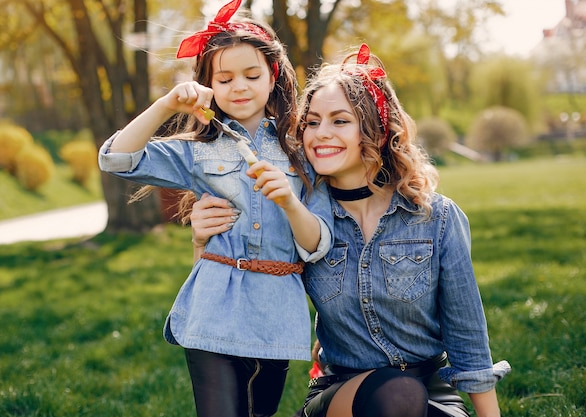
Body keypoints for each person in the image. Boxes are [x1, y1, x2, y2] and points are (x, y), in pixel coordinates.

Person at [189, 43, 510, 417]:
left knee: (409, 397)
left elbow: (467, 337)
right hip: (341, 393)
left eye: (340, 121)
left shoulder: (436, 218)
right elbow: (224, 293)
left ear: (373, 129)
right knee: (398, 394)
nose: (320, 134)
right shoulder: (295, 214)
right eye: (311, 122)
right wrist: (202, 241)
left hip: (431, 389)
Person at [97, 1, 333, 416]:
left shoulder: (303, 149)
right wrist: (167, 105)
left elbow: (319, 244)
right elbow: (116, 159)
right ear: (208, 86)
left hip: (274, 311)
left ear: (273, 75)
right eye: (224, 79)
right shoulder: (201, 151)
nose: (239, 86)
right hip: (212, 306)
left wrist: (289, 202)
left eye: (251, 74)